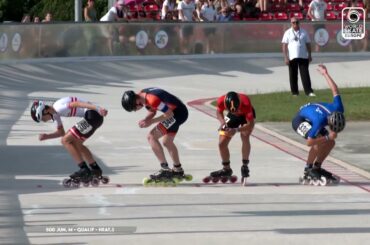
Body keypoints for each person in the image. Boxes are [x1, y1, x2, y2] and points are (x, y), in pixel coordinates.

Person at [30, 97, 108, 185]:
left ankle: (84, 169)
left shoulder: (59, 108)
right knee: (77, 144)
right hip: (95, 118)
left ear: (45, 111)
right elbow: (61, 132)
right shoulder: (55, 114)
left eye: (43, 118)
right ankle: (95, 169)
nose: (44, 121)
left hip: (93, 115)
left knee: (65, 140)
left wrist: (98, 108)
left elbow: (76, 104)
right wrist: (47, 136)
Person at [292, 64, 345, 185]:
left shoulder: (339, 108)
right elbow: (309, 142)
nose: (333, 130)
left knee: (331, 142)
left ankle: (317, 167)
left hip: (312, 113)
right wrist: (326, 136)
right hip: (300, 119)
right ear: (329, 122)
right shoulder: (320, 120)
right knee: (318, 142)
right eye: (332, 127)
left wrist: (325, 74)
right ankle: (308, 169)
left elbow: (335, 90)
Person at [121, 87, 189, 182]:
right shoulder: (143, 94)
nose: (135, 110)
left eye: (134, 108)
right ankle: (178, 169)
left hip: (176, 114)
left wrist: (151, 121)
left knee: (151, 136)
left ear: (136, 102)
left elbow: (169, 114)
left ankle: (165, 169)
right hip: (179, 111)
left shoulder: (152, 99)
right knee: (167, 142)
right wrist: (146, 119)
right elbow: (152, 110)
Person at [205, 91, 255, 186]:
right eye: (232, 110)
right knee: (222, 143)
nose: (235, 112)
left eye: (236, 110)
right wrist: (223, 122)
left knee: (245, 135)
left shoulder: (245, 103)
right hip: (231, 118)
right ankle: (226, 168)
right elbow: (218, 111)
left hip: (245, 117)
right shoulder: (221, 100)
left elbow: (251, 125)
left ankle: (245, 165)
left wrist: (236, 130)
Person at [282, 17, 316, 97]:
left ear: (299, 23)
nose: (295, 24)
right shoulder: (287, 32)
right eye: (293, 22)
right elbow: (284, 45)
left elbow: (308, 44)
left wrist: (310, 55)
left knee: (305, 75)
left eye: (297, 22)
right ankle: (295, 92)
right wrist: (285, 57)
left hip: (303, 56)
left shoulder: (304, 32)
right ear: (291, 23)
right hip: (292, 57)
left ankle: (309, 91)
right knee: (293, 75)